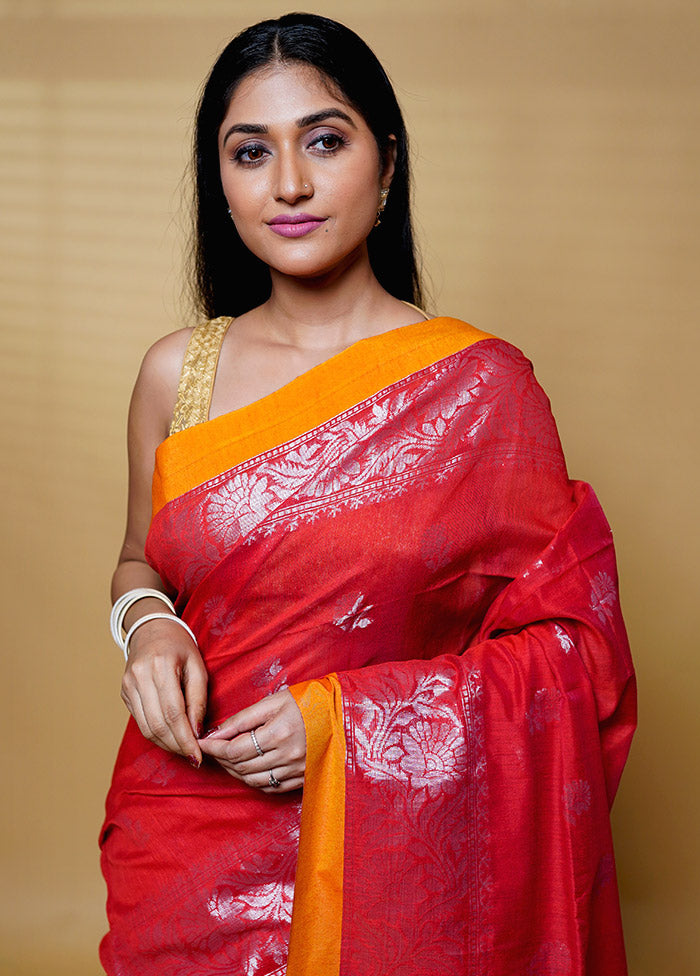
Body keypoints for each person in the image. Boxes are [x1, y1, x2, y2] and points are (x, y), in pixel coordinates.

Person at [100, 12, 636, 976]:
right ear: (218, 181)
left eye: (325, 141)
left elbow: (575, 655)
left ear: (386, 166)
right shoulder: (175, 374)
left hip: (394, 860)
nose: (289, 184)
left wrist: (345, 726)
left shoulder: (480, 389)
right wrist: (146, 624)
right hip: (182, 834)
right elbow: (142, 557)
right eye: (250, 152)